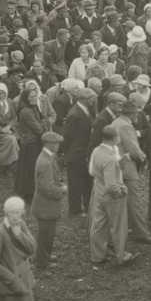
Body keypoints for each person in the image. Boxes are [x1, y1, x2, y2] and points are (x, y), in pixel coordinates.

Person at [88, 126, 138, 266]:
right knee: (119, 227)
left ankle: (97, 256)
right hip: (111, 196)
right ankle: (122, 256)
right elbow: (111, 185)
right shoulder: (109, 158)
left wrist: (119, 162)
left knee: (98, 225)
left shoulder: (97, 151)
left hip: (99, 191)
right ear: (115, 138)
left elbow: (93, 171)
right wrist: (121, 192)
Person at [111, 99, 151, 244]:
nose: (137, 115)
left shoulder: (116, 122)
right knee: (135, 200)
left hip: (118, 165)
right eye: (136, 113)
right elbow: (133, 149)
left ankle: (128, 228)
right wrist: (144, 157)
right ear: (132, 114)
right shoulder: (126, 126)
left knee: (124, 200)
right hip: (127, 166)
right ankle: (141, 233)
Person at [31, 132, 67, 270]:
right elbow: (46, 187)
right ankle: (42, 261)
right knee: (46, 234)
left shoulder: (48, 157)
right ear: (49, 144)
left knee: (47, 233)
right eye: (56, 143)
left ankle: (44, 255)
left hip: (45, 205)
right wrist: (61, 191)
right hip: (45, 205)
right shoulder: (46, 161)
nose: (58, 146)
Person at [61, 88, 96, 217]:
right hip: (76, 154)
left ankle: (87, 206)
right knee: (75, 183)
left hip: (83, 153)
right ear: (85, 100)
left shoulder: (85, 111)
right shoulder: (74, 114)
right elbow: (67, 136)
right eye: (92, 98)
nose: (94, 100)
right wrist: (66, 153)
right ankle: (75, 210)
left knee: (87, 181)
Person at [15, 87, 50, 204]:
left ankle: (34, 192)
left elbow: (42, 120)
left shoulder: (33, 108)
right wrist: (45, 123)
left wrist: (44, 121)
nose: (34, 99)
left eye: (35, 96)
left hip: (35, 142)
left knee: (33, 169)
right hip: (30, 144)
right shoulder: (26, 111)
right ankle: (28, 194)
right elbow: (39, 129)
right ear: (26, 98)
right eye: (31, 97)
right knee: (29, 170)